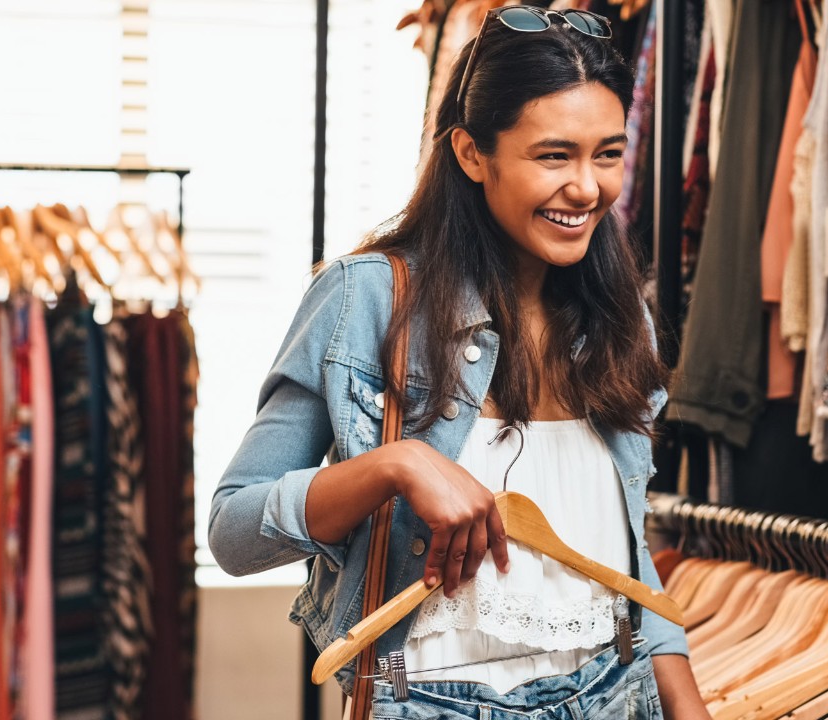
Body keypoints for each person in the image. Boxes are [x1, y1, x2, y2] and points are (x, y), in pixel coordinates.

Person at [209, 7, 707, 718]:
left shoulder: (621, 316)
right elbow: (234, 532)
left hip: (616, 694)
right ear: (473, 154)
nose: (588, 188)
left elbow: (620, 561)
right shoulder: (366, 298)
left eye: (607, 153)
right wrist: (397, 464)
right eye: (553, 155)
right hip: (429, 700)